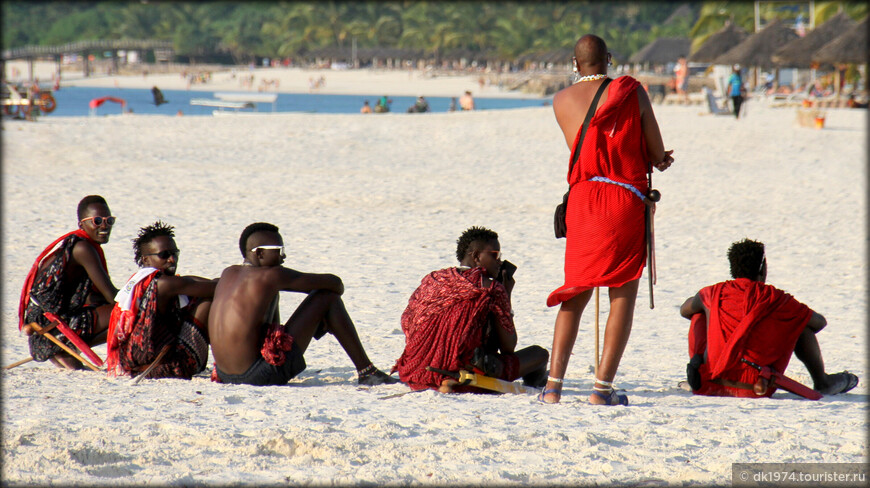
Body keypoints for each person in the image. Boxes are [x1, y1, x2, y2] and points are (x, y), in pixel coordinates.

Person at [541, 34, 673, 405]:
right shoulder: (632, 92)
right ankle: (601, 390)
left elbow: (587, 140)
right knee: (622, 294)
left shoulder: (560, 100)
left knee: (575, 291)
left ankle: (553, 388)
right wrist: (661, 160)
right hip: (623, 198)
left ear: (574, 63)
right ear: (609, 59)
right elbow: (655, 151)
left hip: (583, 198)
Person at [208, 222, 398, 386]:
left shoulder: (228, 273)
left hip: (224, 375)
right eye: (279, 251)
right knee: (326, 298)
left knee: (275, 297)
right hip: (257, 377)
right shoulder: (271, 275)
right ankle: (367, 372)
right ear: (259, 254)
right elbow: (334, 284)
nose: (283, 257)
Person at [679, 239, 858, 397]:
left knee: (699, 314)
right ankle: (822, 381)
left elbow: (684, 310)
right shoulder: (775, 299)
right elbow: (819, 323)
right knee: (799, 322)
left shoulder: (712, 293)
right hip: (756, 387)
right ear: (763, 268)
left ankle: (699, 372)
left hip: (709, 385)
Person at [393, 227, 548, 392]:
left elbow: (408, 321)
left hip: (416, 369)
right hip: (462, 369)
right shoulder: (490, 288)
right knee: (540, 355)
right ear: (476, 256)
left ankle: (444, 378)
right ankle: (452, 379)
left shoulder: (434, 280)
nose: (500, 262)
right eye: (495, 255)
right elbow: (508, 347)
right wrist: (506, 295)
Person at [18, 195, 119, 369]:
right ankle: (64, 348)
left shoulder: (79, 245)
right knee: (129, 312)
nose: (104, 226)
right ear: (82, 225)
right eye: (97, 221)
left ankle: (65, 348)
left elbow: (92, 296)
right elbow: (112, 296)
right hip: (48, 326)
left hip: (45, 323)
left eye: (109, 220)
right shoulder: (83, 248)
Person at [105, 221, 216, 379]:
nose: (172, 259)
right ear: (146, 260)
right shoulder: (164, 283)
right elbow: (215, 288)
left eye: (175, 253)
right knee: (207, 302)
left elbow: (193, 281)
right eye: (164, 255)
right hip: (164, 367)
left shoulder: (142, 281)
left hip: (134, 364)